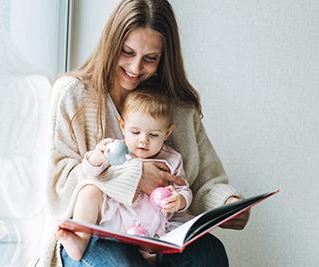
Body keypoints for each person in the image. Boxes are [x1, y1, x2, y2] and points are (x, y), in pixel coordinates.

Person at [47, 0, 250, 266]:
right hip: (93, 233)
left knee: (210, 252)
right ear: (111, 44)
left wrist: (229, 204)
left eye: (150, 58)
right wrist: (134, 176)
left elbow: (204, 182)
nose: (135, 68)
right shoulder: (73, 94)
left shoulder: (176, 107)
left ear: (164, 58)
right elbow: (59, 185)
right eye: (126, 52)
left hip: (158, 231)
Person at [57, 89, 193, 261]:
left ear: (167, 133)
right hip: (116, 218)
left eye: (153, 135)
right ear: (122, 126)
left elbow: (183, 188)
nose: (143, 140)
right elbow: (90, 172)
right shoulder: (117, 150)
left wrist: (179, 200)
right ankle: (79, 240)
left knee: (161, 251)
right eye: (135, 132)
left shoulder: (172, 160)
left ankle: (149, 257)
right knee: (89, 191)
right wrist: (97, 157)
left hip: (151, 228)